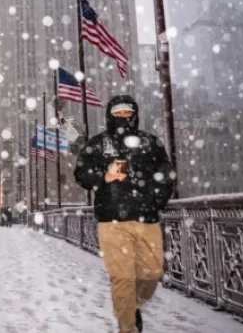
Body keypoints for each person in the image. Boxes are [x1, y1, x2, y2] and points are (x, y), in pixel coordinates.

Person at [74, 95, 174, 333]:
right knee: (123, 278)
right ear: (110, 115)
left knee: (152, 273)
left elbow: (167, 174)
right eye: (117, 113)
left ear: (134, 114)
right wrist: (104, 176)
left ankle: (132, 306)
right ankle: (127, 328)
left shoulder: (150, 143)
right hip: (112, 221)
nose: (122, 117)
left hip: (147, 220)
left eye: (126, 112)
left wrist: (154, 200)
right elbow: (81, 173)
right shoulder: (97, 144)